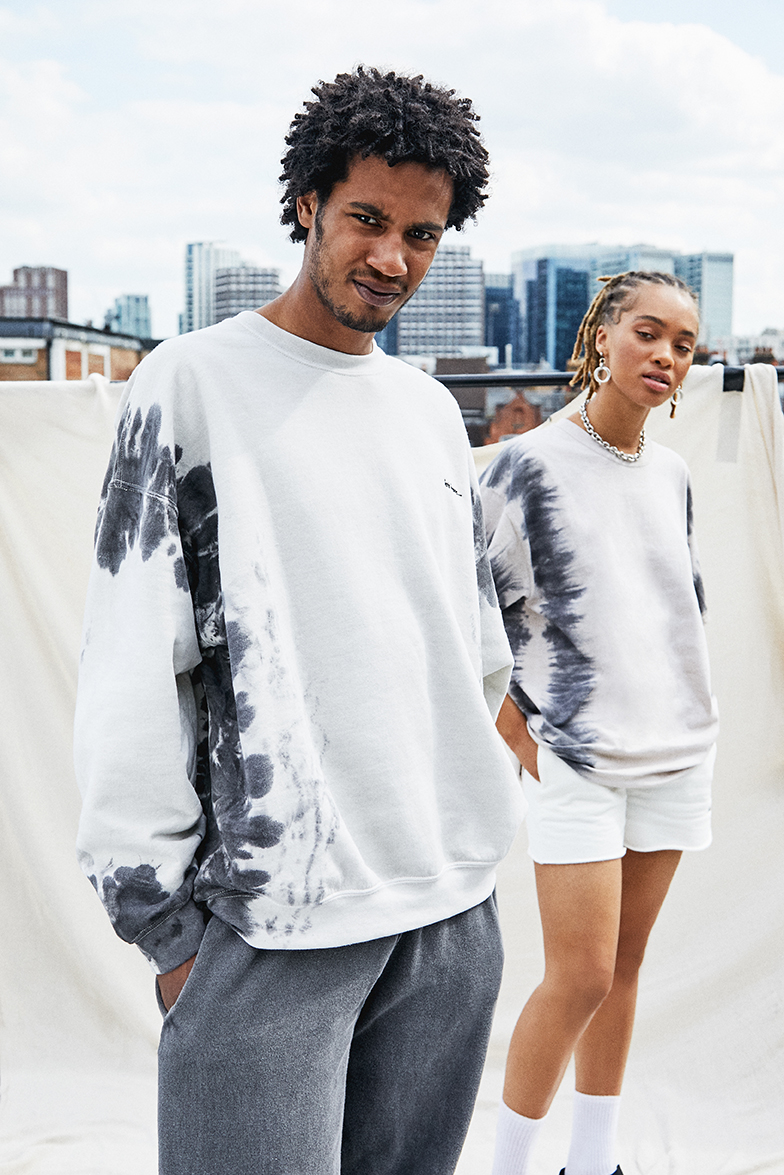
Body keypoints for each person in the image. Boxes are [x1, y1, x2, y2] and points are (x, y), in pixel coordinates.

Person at [74, 66, 524, 1175]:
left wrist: (470, 836)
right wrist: (167, 931)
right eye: (367, 218)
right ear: (306, 203)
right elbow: (130, 667)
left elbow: (469, 646)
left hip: (449, 918)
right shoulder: (189, 385)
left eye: (420, 235)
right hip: (270, 922)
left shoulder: (429, 411)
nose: (391, 257)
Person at [481, 271, 719, 1175]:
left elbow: (674, 606)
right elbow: (469, 615)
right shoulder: (526, 465)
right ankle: (507, 1167)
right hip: (576, 753)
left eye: (683, 345)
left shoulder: (671, 472)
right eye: (648, 333)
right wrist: (514, 728)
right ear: (601, 336)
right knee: (577, 975)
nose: (665, 355)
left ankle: (593, 1160)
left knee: (622, 967)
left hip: (676, 750)